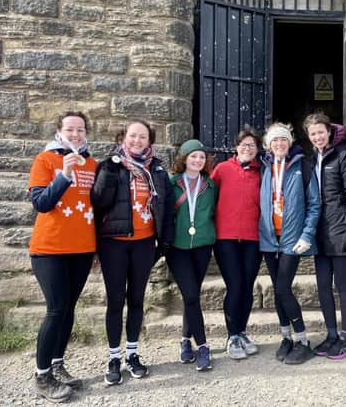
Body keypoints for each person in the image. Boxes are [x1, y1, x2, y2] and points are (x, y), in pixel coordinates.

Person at [91, 121, 174, 385]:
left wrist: (165, 243)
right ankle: (114, 357)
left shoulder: (157, 169)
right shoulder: (110, 165)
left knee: (136, 299)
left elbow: (168, 207)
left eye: (143, 137)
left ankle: (132, 354)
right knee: (116, 301)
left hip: (144, 243)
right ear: (124, 138)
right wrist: (109, 171)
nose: (137, 140)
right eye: (133, 136)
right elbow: (99, 201)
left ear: (150, 140)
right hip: (114, 243)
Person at [28, 111, 96, 403]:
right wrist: (65, 175)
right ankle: (42, 376)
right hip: (50, 249)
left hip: (81, 249)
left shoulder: (92, 163)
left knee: (68, 309)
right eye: (70, 129)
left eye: (80, 129)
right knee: (56, 310)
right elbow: (41, 203)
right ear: (59, 131)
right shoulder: (45, 160)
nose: (76, 134)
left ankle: (57, 364)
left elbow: (97, 206)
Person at [259, 123, 320, 365]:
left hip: (292, 239)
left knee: (283, 289)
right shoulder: (264, 168)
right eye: (275, 141)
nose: (280, 144)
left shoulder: (302, 167)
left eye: (284, 140)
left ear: (290, 142)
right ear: (269, 145)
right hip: (269, 239)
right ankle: (286, 337)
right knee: (277, 289)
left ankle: (304, 341)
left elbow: (314, 205)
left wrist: (307, 235)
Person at [304, 113, 346, 360]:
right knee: (323, 286)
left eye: (321, 132)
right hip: (319, 232)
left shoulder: (343, 156)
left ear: (329, 132)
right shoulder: (311, 160)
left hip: (340, 230)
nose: (317, 137)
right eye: (313, 133)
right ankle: (331, 334)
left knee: (343, 285)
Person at [211, 129, 263, 360]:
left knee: (248, 285)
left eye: (252, 145)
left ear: (258, 149)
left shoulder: (261, 171)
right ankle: (232, 336)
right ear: (236, 146)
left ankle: (242, 332)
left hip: (253, 238)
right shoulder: (222, 170)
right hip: (226, 238)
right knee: (235, 285)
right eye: (244, 144)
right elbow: (207, 197)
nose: (247, 148)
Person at [167, 139, 217, 371]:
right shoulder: (171, 183)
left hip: (202, 245)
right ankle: (204, 346)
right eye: (193, 156)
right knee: (190, 295)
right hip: (177, 248)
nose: (198, 160)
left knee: (192, 296)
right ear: (184, 158)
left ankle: (186, 341)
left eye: (201, 157)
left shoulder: (210, 186)